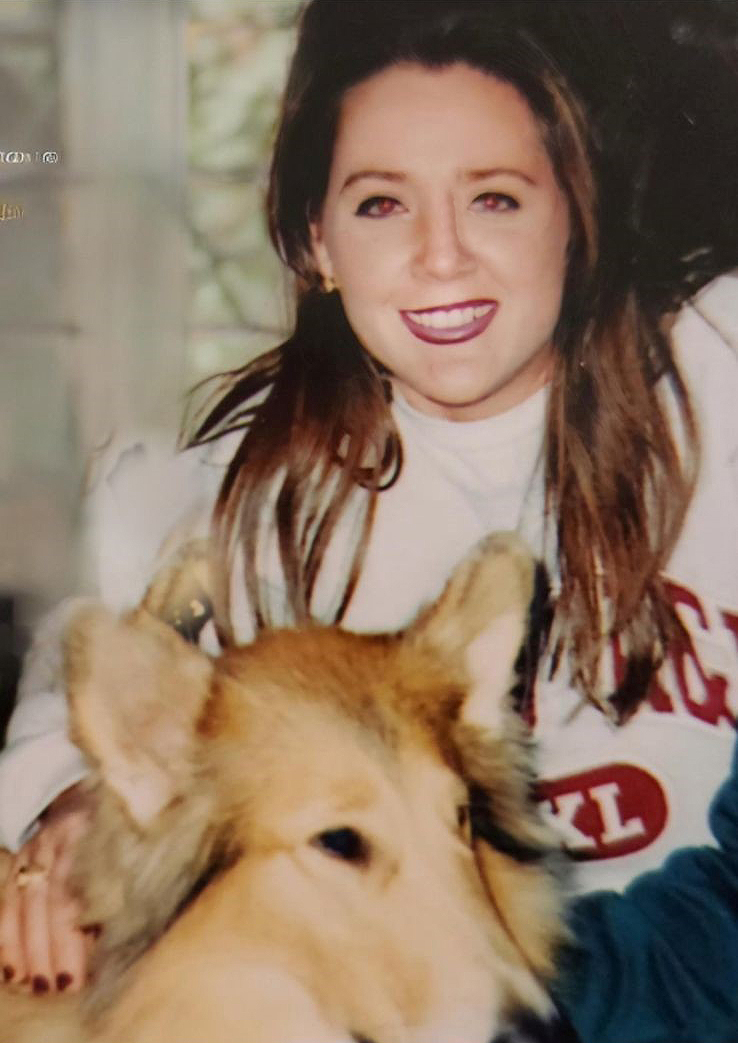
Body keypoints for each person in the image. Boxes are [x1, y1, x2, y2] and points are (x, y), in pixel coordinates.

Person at [1, 1, 737, 1039]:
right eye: (382, 205)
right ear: (316, 241)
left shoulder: (718, 366)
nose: (442, 257)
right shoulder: (234, 481)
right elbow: (78, 655)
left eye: (495, 198)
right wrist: (63, 802)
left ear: (578, 216)